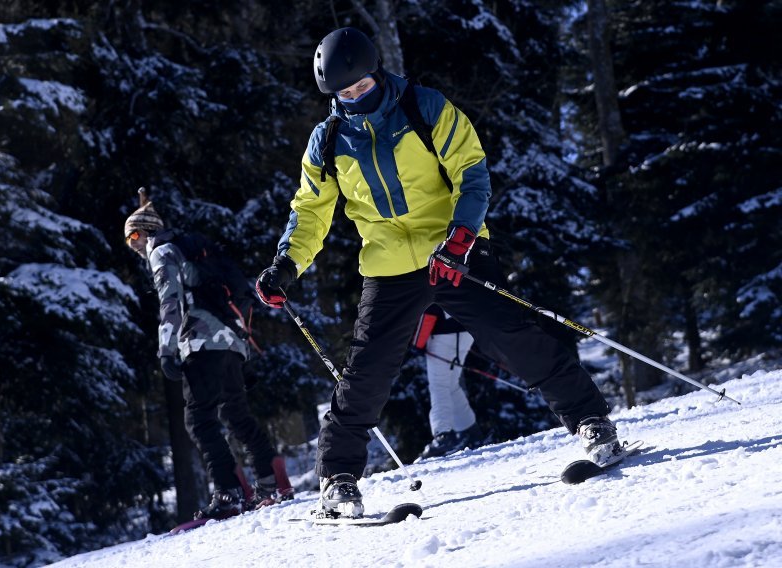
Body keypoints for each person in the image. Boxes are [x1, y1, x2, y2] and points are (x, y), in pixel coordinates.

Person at [255, 27, 619, 518]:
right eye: (343, 93)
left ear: (377, 73)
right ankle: (338, 477)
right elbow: (311, 211)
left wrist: (461, 237)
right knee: (366, 370)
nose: (354, 98)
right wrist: (286, 264)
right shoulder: (328, 141)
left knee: (512, 336)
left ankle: (592, 421)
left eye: (361, 87)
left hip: (452, 249)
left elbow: (472, 171)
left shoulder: (424, 108)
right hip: (388, 266)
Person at [124, 189, 294, 522]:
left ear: (147, 231)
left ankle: (228, 494)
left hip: (201, 341)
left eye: (134, 235)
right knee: (235, 414)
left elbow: (170, 302)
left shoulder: (162, 251)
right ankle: (273, 483)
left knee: (199, 418)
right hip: (232, 341)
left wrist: (166, 348)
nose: (133, 245)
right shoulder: (191, 250)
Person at [412, 304, 484, 459]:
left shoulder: (431, 278)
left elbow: (429, 307)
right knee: (451, 384)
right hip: (466, 332)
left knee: (439, 386)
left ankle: (443, 435)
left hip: (441, 336)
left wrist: (418, 343)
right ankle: (470, 432)